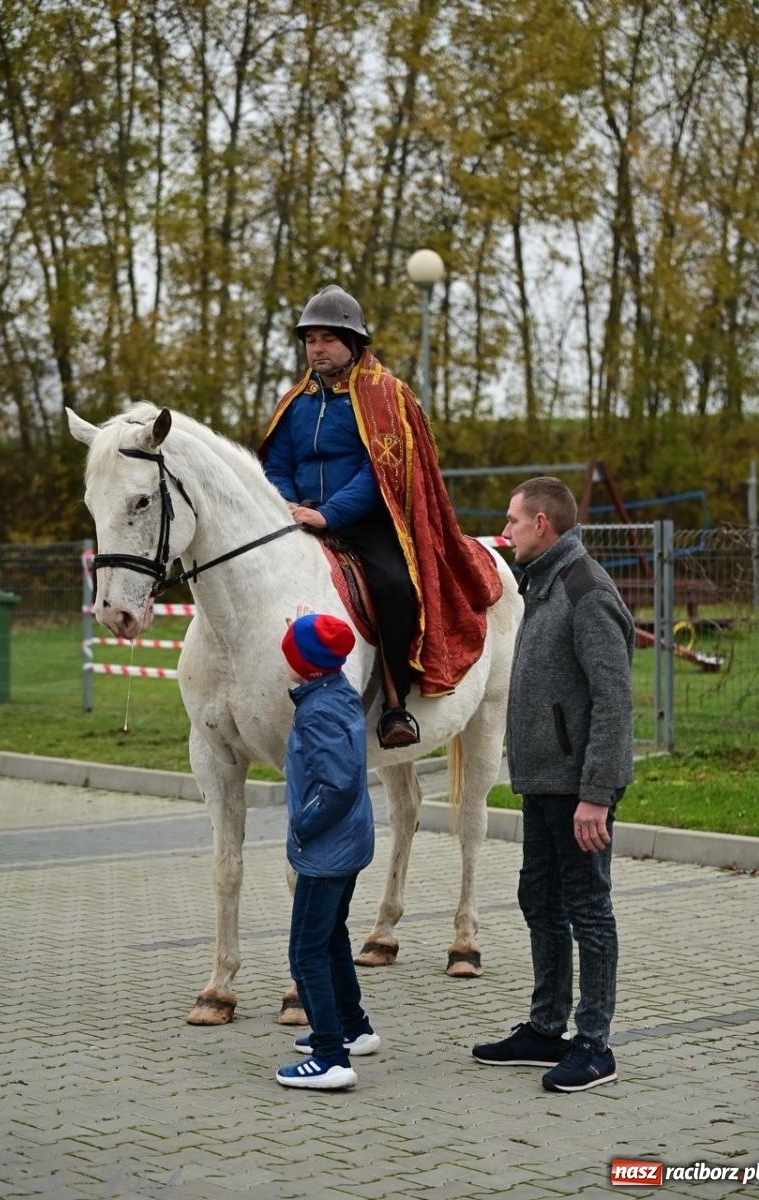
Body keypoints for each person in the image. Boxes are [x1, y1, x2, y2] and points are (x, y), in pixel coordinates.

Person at [259, 283, 503, 749]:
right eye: (311, 339)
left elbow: (381, 476)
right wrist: (289, 506)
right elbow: (278, 464)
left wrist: (327, 515)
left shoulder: (384, 396)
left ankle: (395, 703)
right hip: (296, 519)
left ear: (353, 343)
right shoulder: (296, 402)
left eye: (328, 338)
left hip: (368, 524)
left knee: (394, 589)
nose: (318, 348)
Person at [472, 476, 634, 1092]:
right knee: (538, 901)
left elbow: (613, 701)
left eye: (513, 521)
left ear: (543, 524)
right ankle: (546, 1029)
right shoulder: (541, 586)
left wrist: (597, 793)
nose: (505, 531)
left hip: (579, 790)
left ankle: (594, 1043)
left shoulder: (586, 589)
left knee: (588, 909)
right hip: (541, 783)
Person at [276, 611, 380, 1091]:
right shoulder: (338, 691)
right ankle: (352, 1027)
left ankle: (329, 1055)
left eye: (290, 652)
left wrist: (303, 825)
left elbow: (335, 785)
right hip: (349, 842)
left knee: (306, 951)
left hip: (325, 849)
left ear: (304, 664)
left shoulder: (316, 710)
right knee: (333, 936)